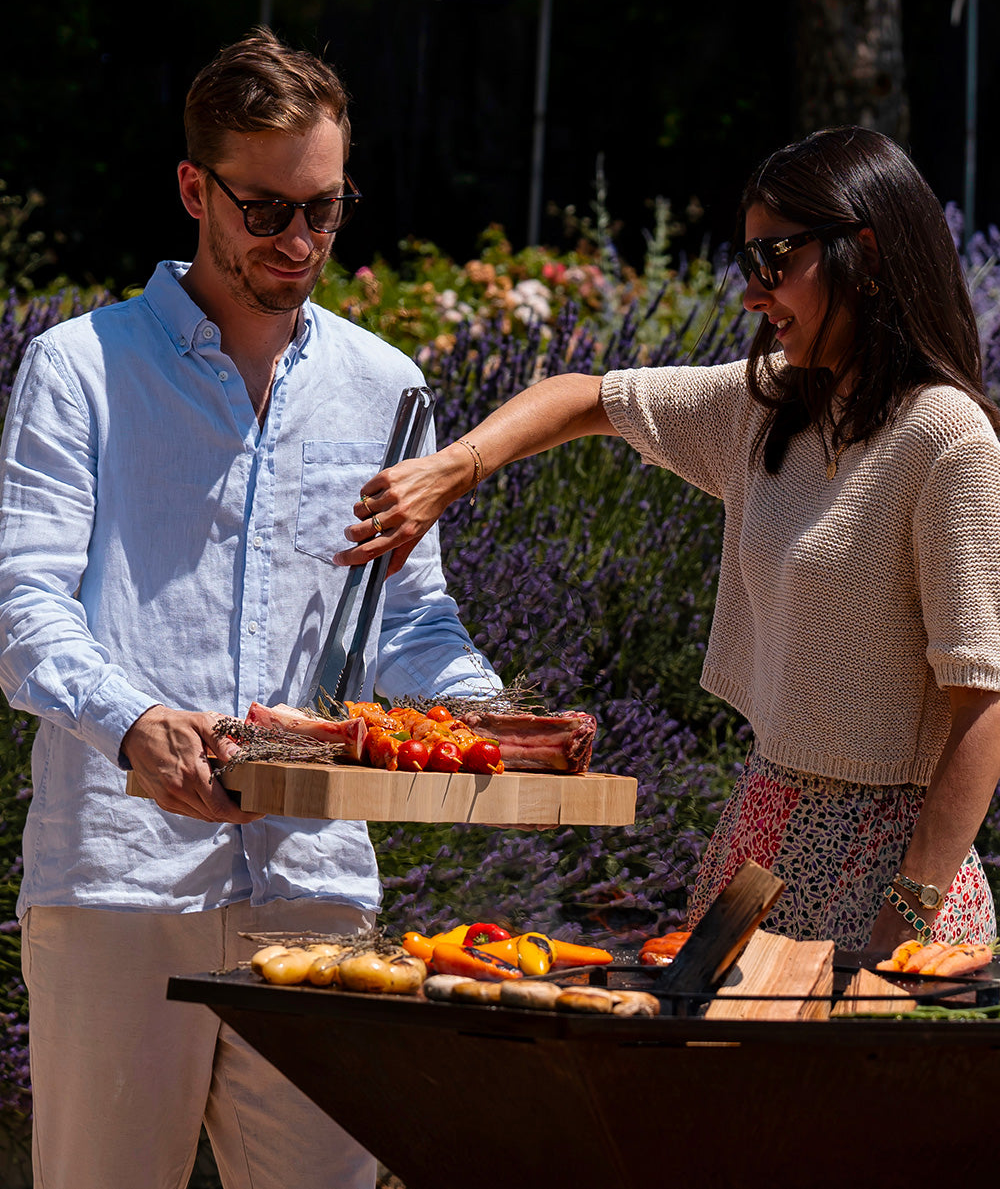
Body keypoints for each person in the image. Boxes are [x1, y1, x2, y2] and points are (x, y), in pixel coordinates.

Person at [0, 27, 500, 1189]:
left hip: (316, 882)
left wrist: (494, 716)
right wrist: (132, 722)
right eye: (267, 209)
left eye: (325, 211)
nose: (300, 240)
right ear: (194, 188)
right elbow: (24, 608)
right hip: (120, 880)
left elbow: (406, 620)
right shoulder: (79, 367)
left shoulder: (388, 386)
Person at [339, 125, 1000, 955]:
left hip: (896, 874)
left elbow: (984, 705)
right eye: (746, 264)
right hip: (763, 837)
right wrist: (454, 469)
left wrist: (902, 921)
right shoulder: (766, 407)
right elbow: (587, 397)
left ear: (861, 252)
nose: (753, 295)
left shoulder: (949, 440)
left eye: (773, 261)